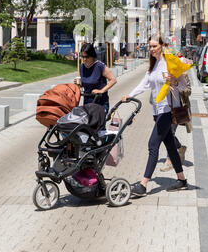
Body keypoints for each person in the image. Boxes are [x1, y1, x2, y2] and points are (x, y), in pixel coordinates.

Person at [122, 36, 190, 197]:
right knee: (171, 147)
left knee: (153, 145)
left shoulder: (171, 63)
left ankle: (143, 185)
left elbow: (184, 86)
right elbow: (144, 84)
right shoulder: (153, 66)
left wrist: (173, 81)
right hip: (156, 111)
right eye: (150, 46)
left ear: (162, 46)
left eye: (154, 46)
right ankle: (182, 180)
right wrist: (129, 95)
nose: (151, 49)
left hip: (167, 111)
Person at [74, 43, 117, 115]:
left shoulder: (100, 66)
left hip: (100, 102)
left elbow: (113, 80)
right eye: (82, 56)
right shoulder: (82, 67)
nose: (84, 59)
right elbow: (85, 84)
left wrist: (101, 91)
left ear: (92, 55)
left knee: (98, 125)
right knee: (87, 125)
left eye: (87, 57)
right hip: (87, 102)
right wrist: (80, 84)